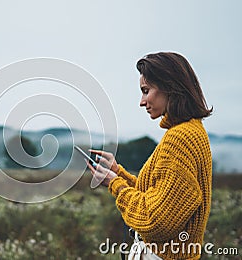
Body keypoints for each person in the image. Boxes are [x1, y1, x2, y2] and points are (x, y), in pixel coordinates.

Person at [87, 52, 212, 259]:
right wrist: (118, 172)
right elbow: (161, 197)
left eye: (146, 91)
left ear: (170, 86)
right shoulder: (191, 131)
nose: (142, 101)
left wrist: (115, 184)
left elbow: (156, 220)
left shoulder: (179, 138)